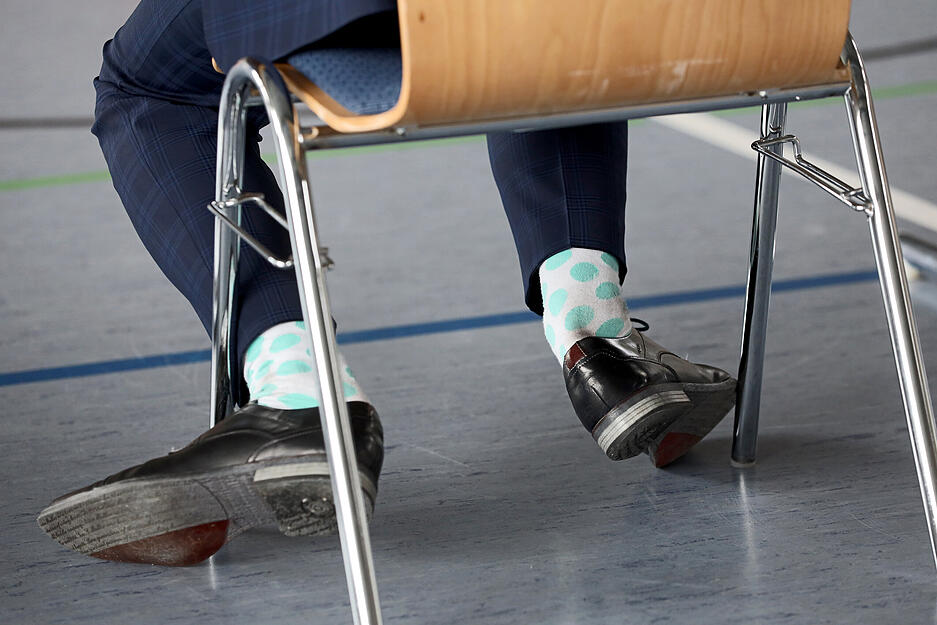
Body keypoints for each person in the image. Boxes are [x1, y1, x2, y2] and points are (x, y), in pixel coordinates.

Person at [37, 0, 736, 566]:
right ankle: (597, 338)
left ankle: (298, 394)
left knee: (146, 84)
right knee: (544, 34)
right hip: (668, 21)